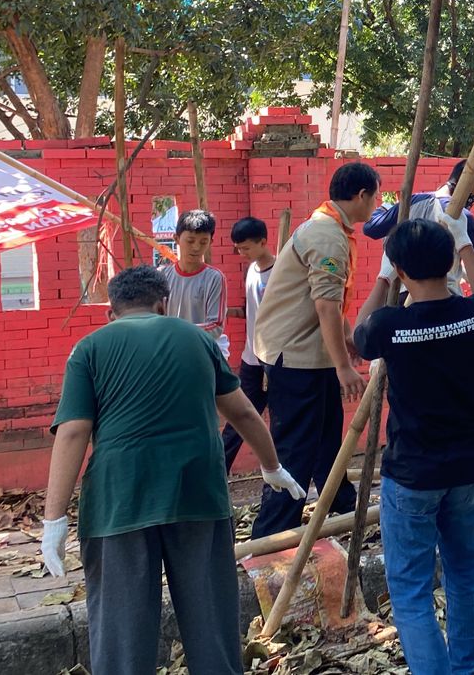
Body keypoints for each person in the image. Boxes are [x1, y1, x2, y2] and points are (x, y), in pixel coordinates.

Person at [41, 266, 304, 675]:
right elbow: (245, 412)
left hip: (119, 504)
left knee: (122, 637)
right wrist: (272, 467)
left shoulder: (89, 348)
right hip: (197, 496)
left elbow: (74, 431)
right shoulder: (198, 340)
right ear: (163, 304)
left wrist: (53, 519)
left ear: (112, 312)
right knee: (212, 627)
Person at [353, 218, 474, 675]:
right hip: (467, 469)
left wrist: (382, 278)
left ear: (400, 270)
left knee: (411, 590)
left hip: (413, 473)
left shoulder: (391, 325)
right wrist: (466, 247)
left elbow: (358, 335)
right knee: (464, 575)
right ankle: (462, 667)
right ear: (450, 261)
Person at [249, 161, 381, 538]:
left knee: (326, 440)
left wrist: (349, 340)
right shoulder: (327, 236)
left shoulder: (329, 228)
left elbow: (329, 305)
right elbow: (324, 305)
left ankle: (340, 505)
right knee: (295, 449)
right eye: (375, 197)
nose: (375, 206)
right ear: (361, 196)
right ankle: (271, 536)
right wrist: (343, 366)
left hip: (307, 354)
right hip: (296, 358)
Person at [364, 159, 474, 290]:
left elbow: (371, 228)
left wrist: (384, 208)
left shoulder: (412, 203)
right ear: (467, 186)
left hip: (405, 297)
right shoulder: (463, 217)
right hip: (446, 297)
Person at [221, 216, 275, 472]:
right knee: (238, 420)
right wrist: (228, 312)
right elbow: (251, 309)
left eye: (246, 248)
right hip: (251, 359)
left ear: (263, 242)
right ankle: (218, 469)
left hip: (275, 360)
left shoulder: (279, 274)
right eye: (238, 248)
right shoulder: (251, 270)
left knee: (280, 421)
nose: (242, 253)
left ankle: (277, 472)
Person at [159, 209, 226, 343]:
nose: (196, 247)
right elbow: (154, 317)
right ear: (176, 239)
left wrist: (176, 332)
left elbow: (216, 326)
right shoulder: (162, 275)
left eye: (203, 242)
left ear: (210, 242)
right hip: (167, 348)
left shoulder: (214, 278)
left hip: (199, 349)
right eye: (190, 241)